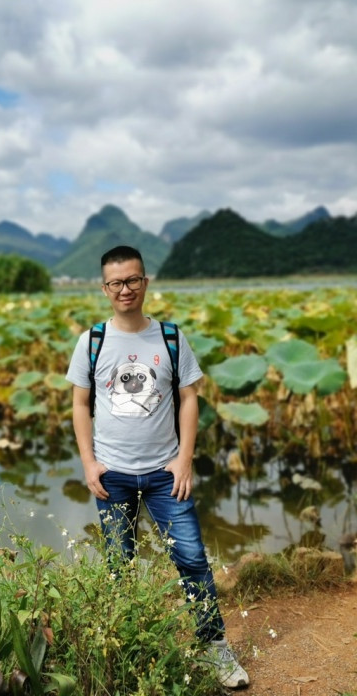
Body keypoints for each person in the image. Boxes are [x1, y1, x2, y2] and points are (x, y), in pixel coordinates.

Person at [66, 245, 249, 690]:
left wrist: (184, 459)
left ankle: (214, 645)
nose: (125, 289)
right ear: (105, 288)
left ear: (145, 282)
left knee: (192, 559)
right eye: (116, 283)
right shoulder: (92, 341)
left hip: (166, 474)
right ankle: (128, 646)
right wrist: (89, 463)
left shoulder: (170, 337)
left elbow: (189, 398)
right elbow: (80, 404)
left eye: (132, 280)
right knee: (120, 564)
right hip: (112, 475)